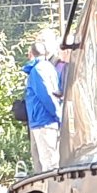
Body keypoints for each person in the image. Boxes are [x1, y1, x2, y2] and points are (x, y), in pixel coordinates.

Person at [23, 41, 61, 172]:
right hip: (48, 119)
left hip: (43, 120)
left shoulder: (37, 70)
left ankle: (51, 185)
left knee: (48, 162)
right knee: (52, 159)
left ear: (31, 54)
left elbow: (46, 95)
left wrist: (57, 114)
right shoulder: (49, 67)